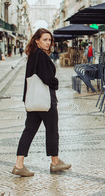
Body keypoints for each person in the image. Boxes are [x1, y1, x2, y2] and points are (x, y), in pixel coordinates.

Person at [12, 28, 71, 176]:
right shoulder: (41, 56)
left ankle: (19, 164)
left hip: (33, 100)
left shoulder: (32, 55)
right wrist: (55, 82)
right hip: (45, 99)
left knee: (29, 131)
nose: (48, 42)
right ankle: (55, 162)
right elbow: (48, 78)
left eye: (49, 40)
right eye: (45, 40)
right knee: (52, 129)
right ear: (36, 40)